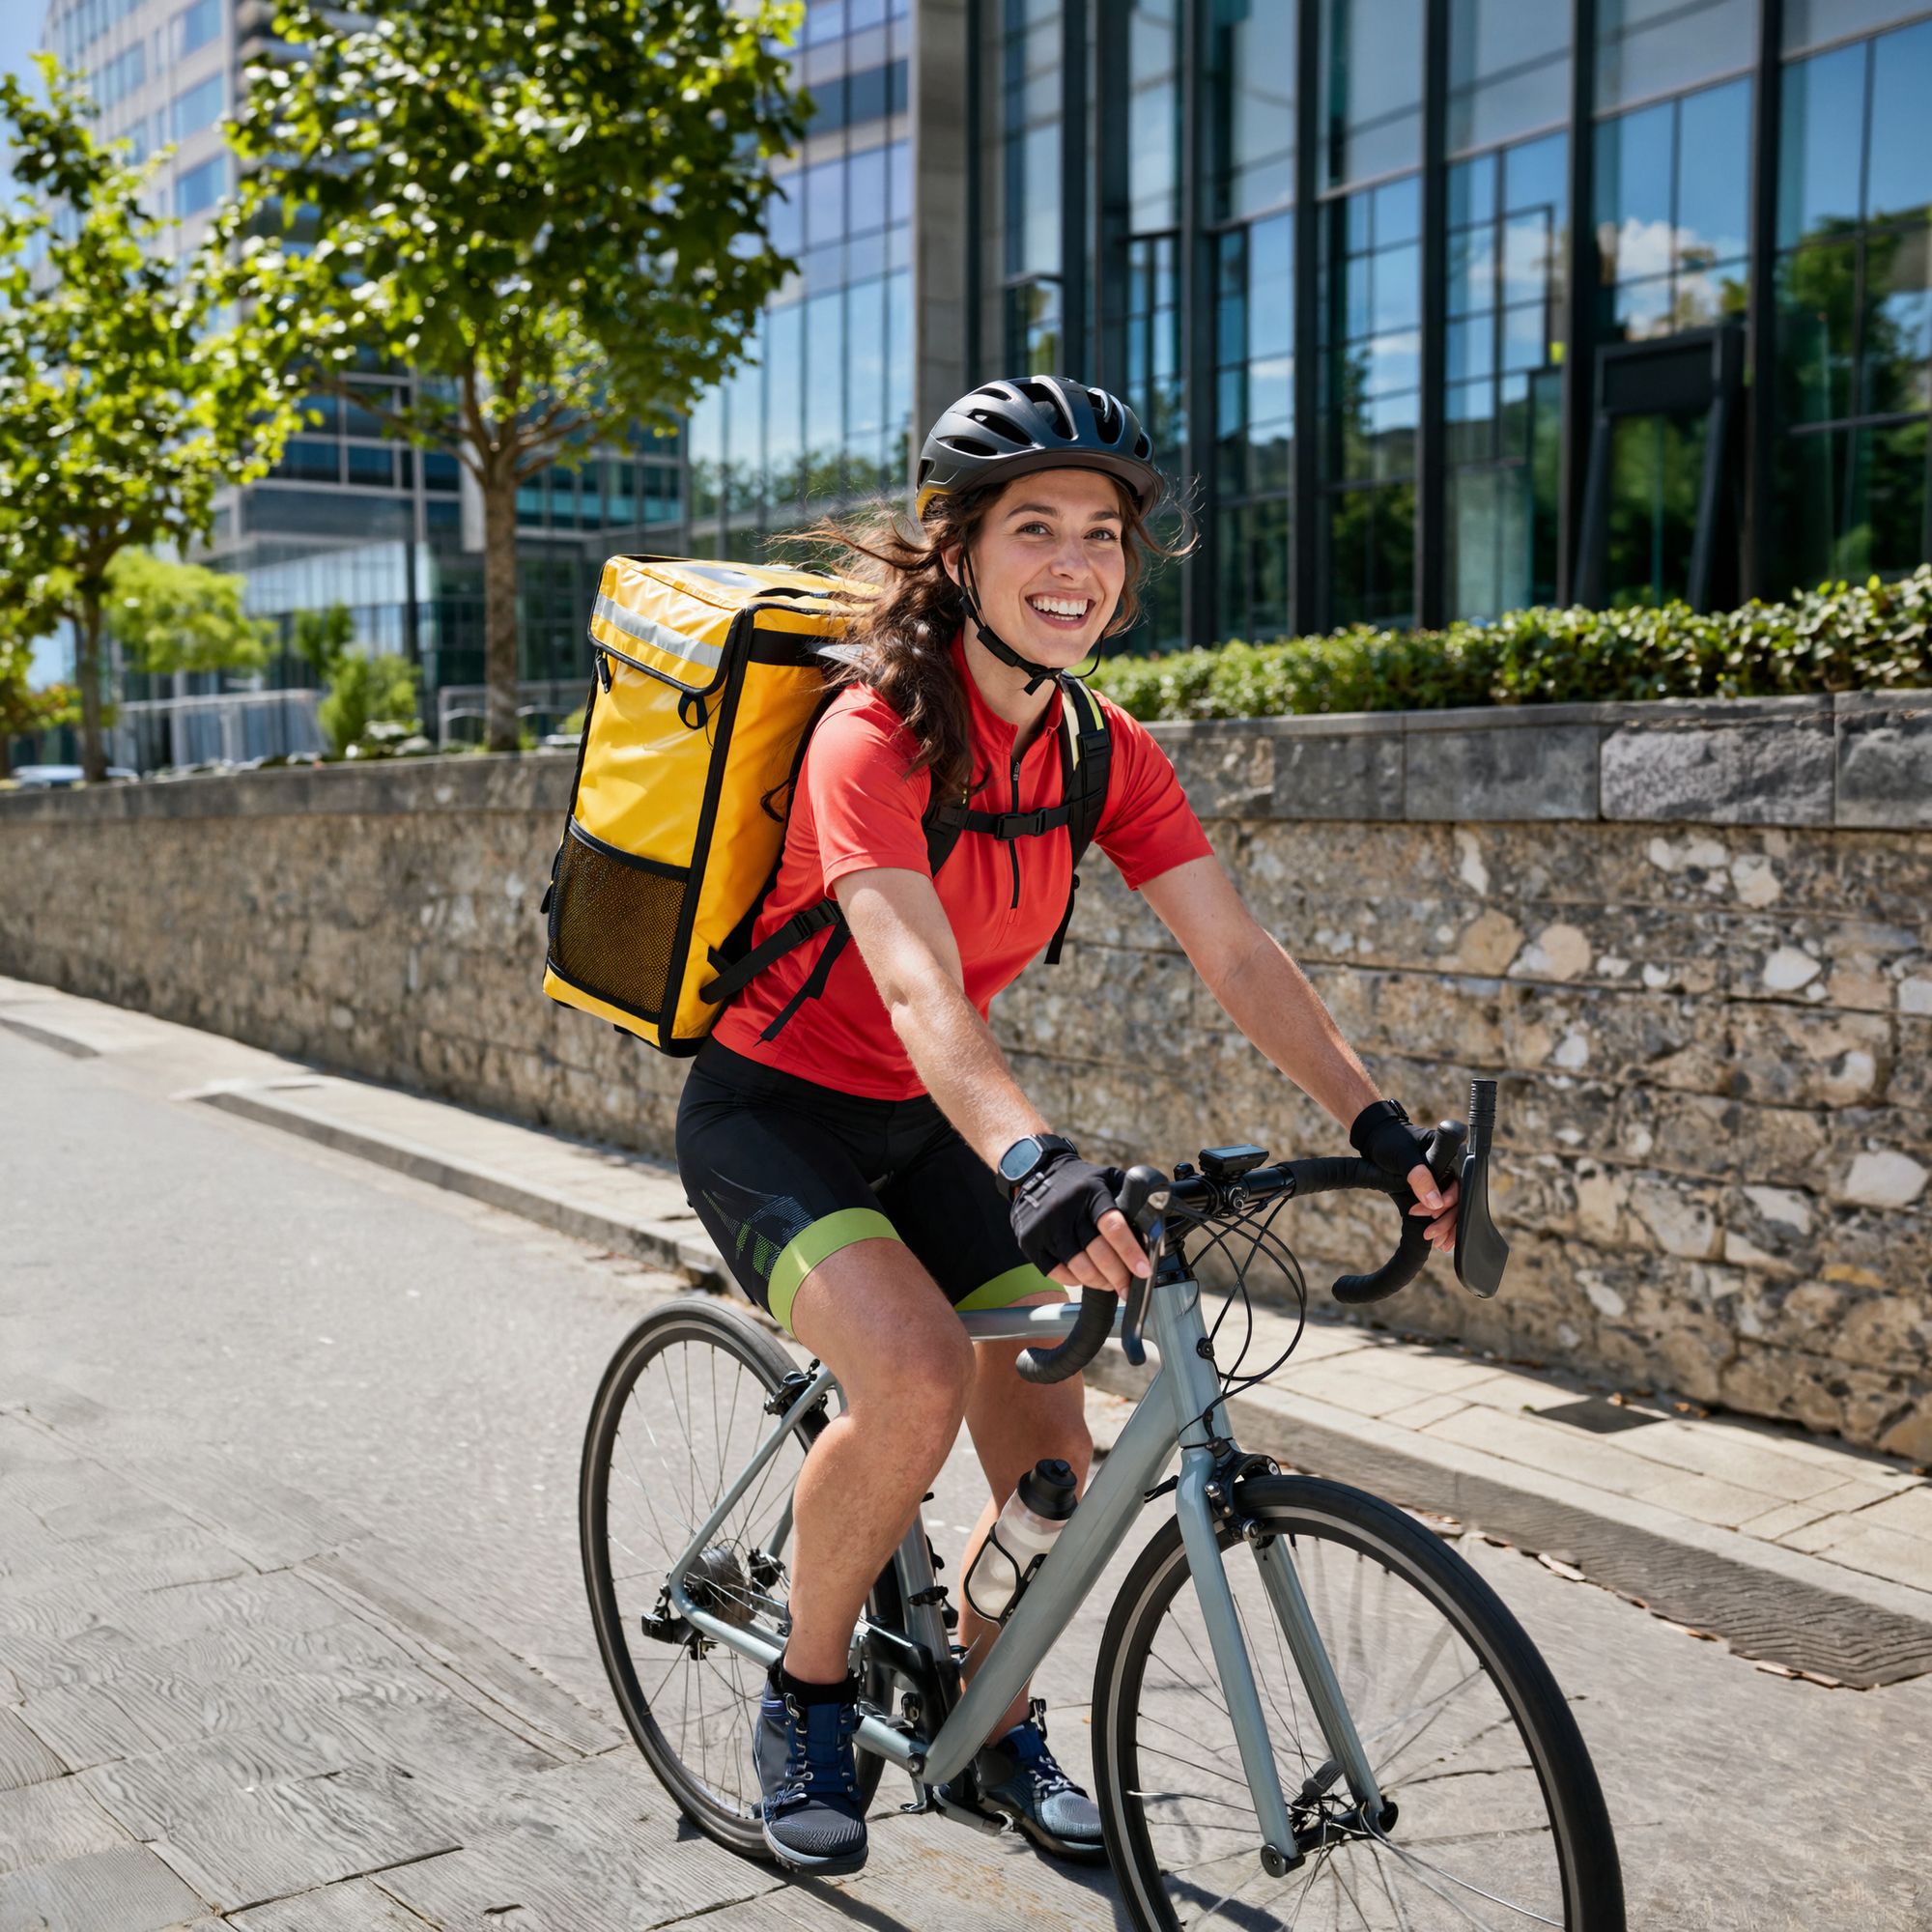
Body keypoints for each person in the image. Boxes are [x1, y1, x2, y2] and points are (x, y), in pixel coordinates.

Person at [675, 375, 1462, 1877]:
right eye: (1034, 527)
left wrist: (1374, 1123)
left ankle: (992, 1719)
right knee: (907, 1379)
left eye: (1102, 533)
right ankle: (808, 1692)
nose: (1076, 565)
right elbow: (912, 982)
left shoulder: (1101, 748)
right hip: (775, 1114)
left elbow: (1234, 952)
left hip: (934, 1127)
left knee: (1056, 1468)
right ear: (957, 553)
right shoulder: (875, 738)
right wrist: (1035, 1156)